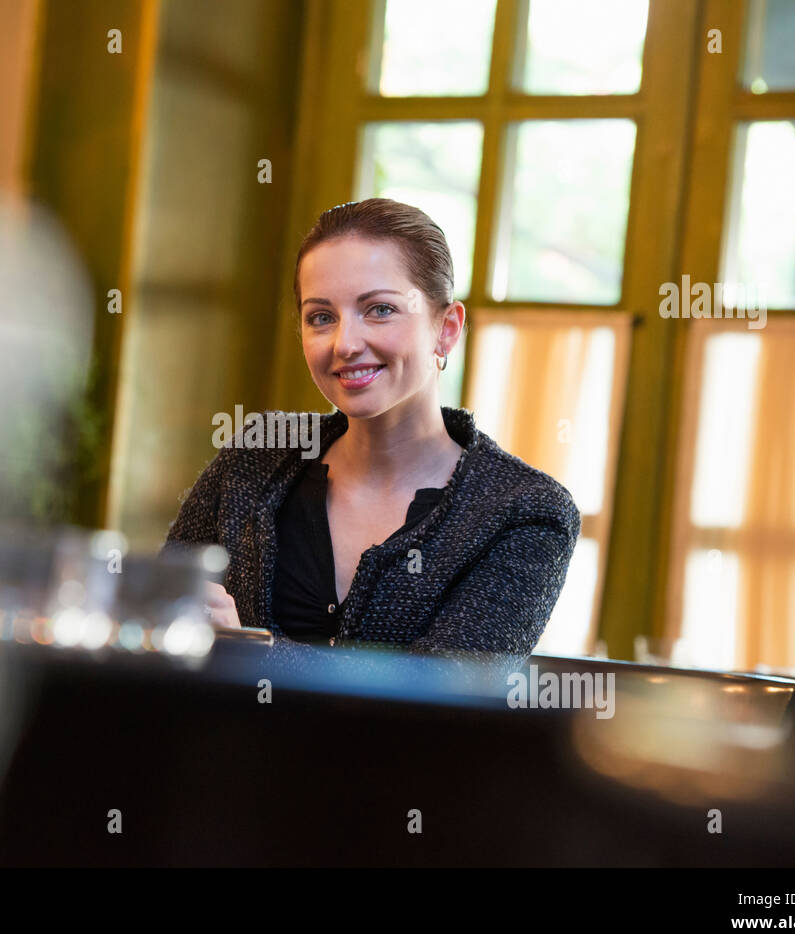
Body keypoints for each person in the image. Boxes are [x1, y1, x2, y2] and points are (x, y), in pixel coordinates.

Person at [163, 198, 580, 673]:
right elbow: (154, 625)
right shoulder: (253, 454)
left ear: (446, 329)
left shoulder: (527, 512)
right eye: (321, 316)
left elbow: (435, 701)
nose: (345, 344)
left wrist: (250, 649)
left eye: (379, 309)